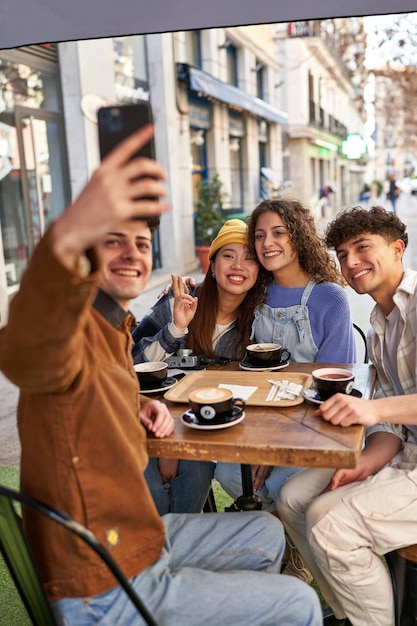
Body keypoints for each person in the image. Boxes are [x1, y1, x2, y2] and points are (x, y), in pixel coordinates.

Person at [0, 125, 322, 626]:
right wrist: (66, 232)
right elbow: (24, 347)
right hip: (103, 579)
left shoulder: (112, 330)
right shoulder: (67, 330)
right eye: (112, 242)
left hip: (139, 538)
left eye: (140, 243)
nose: (131, 253)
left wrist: (137, 404)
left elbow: (97, 391)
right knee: (299, 602)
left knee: (266, 531)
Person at [276, 205, 417, 626]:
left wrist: (368, 407)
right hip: (405, 454)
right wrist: (369, 461)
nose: (350, 262)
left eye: (362, 247)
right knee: (293, 498)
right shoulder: (379, 326)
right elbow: (393, 424)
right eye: (341, 253)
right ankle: (350, 612)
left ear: (397, 249)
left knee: (330, 521)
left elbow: (380, 408)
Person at [214, 198, 356, 583]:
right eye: (259, 235)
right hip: (268, 420)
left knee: (275, 482)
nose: (267, 242)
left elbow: (334, 388)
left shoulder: (329, 297)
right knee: (228, 471)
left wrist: (274, 450)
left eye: (278, 232)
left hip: (318, 425)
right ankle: (282, 533)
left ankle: (303, 556)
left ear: (299, 237)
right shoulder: (255, 294)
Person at [132, 218, 263, 515]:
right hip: (147, 426)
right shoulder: (179, 301)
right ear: (213, 265)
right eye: (228, 255)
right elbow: (128, 367)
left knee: (197, 471)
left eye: (249, 258)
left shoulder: (260, 320)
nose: (238, 266)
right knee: (149, 489)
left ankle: (175, 553)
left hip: (202, 431)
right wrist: (176, 328)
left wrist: (178, 446)